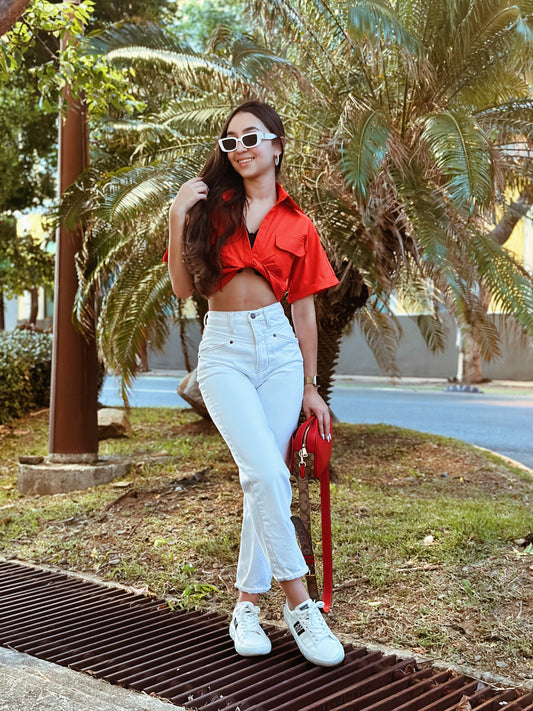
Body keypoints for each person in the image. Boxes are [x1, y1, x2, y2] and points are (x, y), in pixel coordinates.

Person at [165, 100, 344, 667]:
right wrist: (175, 218)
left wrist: (312, 386)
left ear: (277, 146)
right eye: (230, 142)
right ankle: (300, 603)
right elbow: (181, 290)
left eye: (251, 138)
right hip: (223, 351)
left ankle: (245, 604)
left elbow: (307, 314)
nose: (240, 148)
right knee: (265, 471)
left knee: (263, 479)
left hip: (280, 353)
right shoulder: (210, 210)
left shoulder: (298, 224)